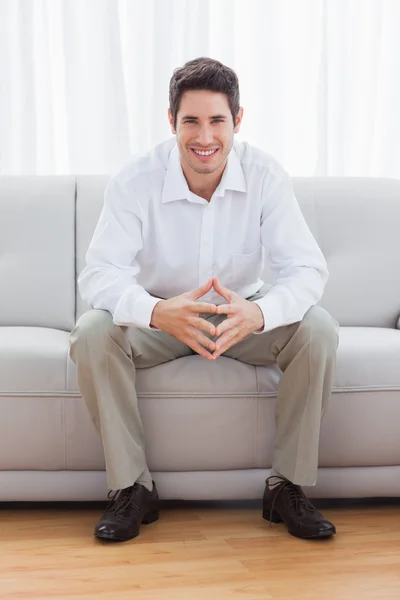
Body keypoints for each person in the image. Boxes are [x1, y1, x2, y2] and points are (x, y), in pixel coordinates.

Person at [69, 57, 340, 543]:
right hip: (160, 319)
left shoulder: (265, 176)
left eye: (217, 120)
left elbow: (306, 270)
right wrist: (155, 310)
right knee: (92, 332)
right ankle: (133, 488)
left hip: (240, 317)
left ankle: (286, 486)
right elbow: (99, 274)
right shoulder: (135, 180)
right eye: (190, 121)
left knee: (318, 329)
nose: (204, 137)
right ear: (171, 121)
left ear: (237, 120)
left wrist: (259, 313)